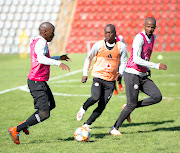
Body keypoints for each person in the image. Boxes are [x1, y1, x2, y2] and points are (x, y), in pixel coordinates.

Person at [8, 22, 71, 144]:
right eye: (52, 32)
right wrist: (59, 63)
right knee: (44, 113)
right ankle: (16, 129)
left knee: (51, 105)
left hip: (39, 81)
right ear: (45, 32)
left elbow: (42, 57)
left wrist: (58, 57)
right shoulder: (41, 42)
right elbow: (41, 59)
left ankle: (25, 124)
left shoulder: (39, 41)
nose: (53, 35)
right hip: (36, 81)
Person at [109, 17, 168, 135]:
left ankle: (129, 107)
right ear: (144, 26)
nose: (150, 29)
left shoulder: (153, 38)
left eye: (152, 27)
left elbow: (145, 55)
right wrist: (155, 65)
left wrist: (146, 68)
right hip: (132, 74)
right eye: (148, 27)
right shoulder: (139, 38)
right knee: (132, 103)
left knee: (157, 96)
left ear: (155, 28)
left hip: (142, 74)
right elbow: (136, 59)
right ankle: (114, 128)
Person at [76, 24, 127, 130]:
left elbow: (123, 62)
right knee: (95, 97)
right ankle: (83, 108)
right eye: (106, 33)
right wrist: (85, 73)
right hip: (98, 77)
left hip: (111, 81)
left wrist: (120, 73)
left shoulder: (121, 46)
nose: (107, 35)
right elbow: (88, 58)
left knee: (102, 105)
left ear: (115, 34)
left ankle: (87, 124)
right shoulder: (98, 45)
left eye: (110, 32)